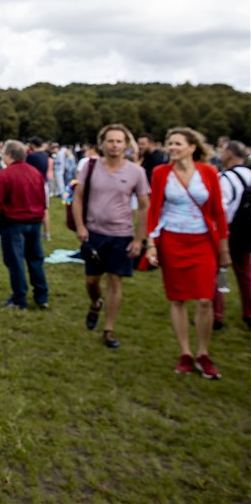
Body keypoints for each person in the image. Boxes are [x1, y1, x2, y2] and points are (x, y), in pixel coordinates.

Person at [145, 127, 229, 379]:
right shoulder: (161, 173)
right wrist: (151, 243)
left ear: (192, 147)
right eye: (170, 143)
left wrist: (223, 248)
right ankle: (186, 353)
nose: (172, 147)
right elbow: (154, 210)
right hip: (172, 240)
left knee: (205, 299)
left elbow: (218, 212)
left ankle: (203, 353)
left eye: (177, 143)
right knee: (177, 298)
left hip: (203, 241)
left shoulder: (209, 172)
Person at [72, 124, 149, 348]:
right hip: (94, 233)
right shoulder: (90, 167)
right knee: (92, 280)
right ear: (102, 143)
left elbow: (145, 206)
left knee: (115, 280)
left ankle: (109, 329)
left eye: (119, 141)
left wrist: (138, 238)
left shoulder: (136, 172)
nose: (114, 145)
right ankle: (96, 302)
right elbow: (77, 197)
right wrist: (80, 226)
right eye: (110, 141)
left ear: (125, 145)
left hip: (122, 234)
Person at [0, 140, 49, 310]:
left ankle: (19, 297)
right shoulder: (35, 173)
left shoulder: (5, 175)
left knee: (15, 261)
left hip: (13, 222)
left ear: (9, 155)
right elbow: (42, 198)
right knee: (35, 258)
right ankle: (41, 295)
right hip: (34, 221)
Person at [214, 140, 250, 330]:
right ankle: (249, 312)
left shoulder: (225, 178)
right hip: (247, 233)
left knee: (218, 273)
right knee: (245, 273)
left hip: (228, 233)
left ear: (229, 154)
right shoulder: (250, 174)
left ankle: (216, 315)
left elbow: (221, 210)